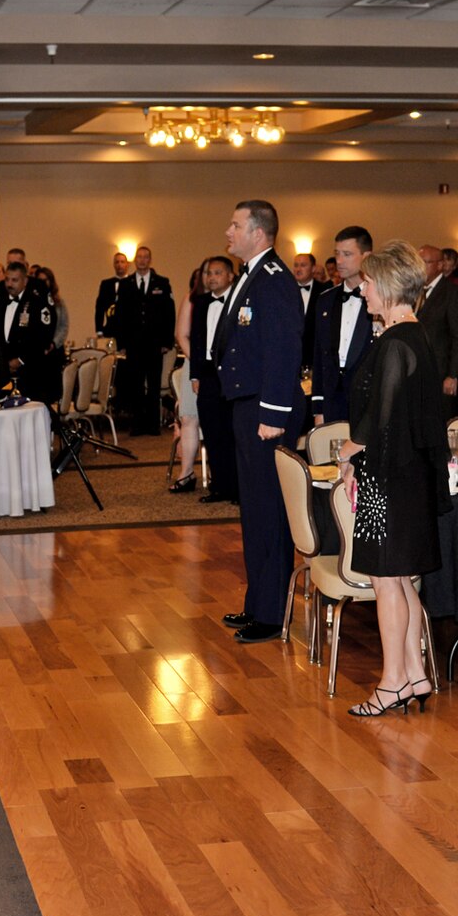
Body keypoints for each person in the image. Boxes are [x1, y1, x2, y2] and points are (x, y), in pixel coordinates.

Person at [337, 240, 449, 716]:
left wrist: (346, 453)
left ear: (386, 285)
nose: (362, 290)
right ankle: (415, 675)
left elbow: (377, 420)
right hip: (410, 475)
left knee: (386, 581)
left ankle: (392, 681)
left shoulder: (393, 342)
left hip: (388, 477)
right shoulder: (415, 335)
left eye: (367, 282)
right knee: (401, 580)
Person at [214, 201, 305, 644]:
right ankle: (258, 603)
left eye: (235, 224)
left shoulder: (273, 282)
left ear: (258, 232)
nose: (227, 231)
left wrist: (272, 414)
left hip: (266, 414)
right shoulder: (251, 276)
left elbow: (283, 349)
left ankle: (272, 614)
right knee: (253, 510)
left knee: (269, 512)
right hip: (247, 407)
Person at [0, 259, 63, 405]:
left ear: (25, 281)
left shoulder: (36, 300)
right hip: (2, 368)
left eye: (14, 280)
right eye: (7, 279)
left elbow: (43, 335)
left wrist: (21, 360)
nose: (9, 284)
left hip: (30, 369)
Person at [308, 226, 374, 427]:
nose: (339, 261)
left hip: (368, 401)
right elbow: (319, 355)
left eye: (347, 254)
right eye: (337, 254)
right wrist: (318, 407)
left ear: (366, 256)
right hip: (332, 402)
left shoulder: (380, 300)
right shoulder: (326, 300)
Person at [189, 254, 241, 505]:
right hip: (208, 375)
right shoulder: (199, 303)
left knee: (234, 431)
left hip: (232, 373)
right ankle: (219, 486)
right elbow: (196, 342)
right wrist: (195, 374)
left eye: (217, 273)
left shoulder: (240, 301)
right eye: (209, 273)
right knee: (212, 431)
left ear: (231, 276)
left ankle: (239, 489)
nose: (211, 278)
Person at [115, 245, 171, 435]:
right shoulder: (126, 284)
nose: (142, 260)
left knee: (154, 385)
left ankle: (153, 425)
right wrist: (121, 344)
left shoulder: (162, 283)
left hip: (155, 344)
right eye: (139, 257)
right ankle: (138, 424)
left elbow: (168, 314)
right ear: (135, 260)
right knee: (136, 385)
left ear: (150, 260)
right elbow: (120, 316)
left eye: (146, 257)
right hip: (133, 344)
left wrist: (166, 341)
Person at [169, 263, 204, 495]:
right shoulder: (190, 300)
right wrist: (200, 364)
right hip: (195, 364)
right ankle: (186, 473)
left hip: (223, 367)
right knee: (190, 419)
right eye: (207, 274)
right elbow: (181, 336)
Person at [417, 244, 458, 398]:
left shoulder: (452, 292)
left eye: (424, 262)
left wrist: (453, 375)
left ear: (440, 265)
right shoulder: (415, 291)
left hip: (440, 371)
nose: (419, 267)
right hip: (418, 370)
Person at [94, 251, 131, 341]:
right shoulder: (106, 284)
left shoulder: (133, 283)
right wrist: (99, 330)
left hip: (130, 329)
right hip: (110, 329)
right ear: (114, 265)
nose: (119, 265)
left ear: (127, 264)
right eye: (117, 262)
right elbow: (100, 308)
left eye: (122, 262)